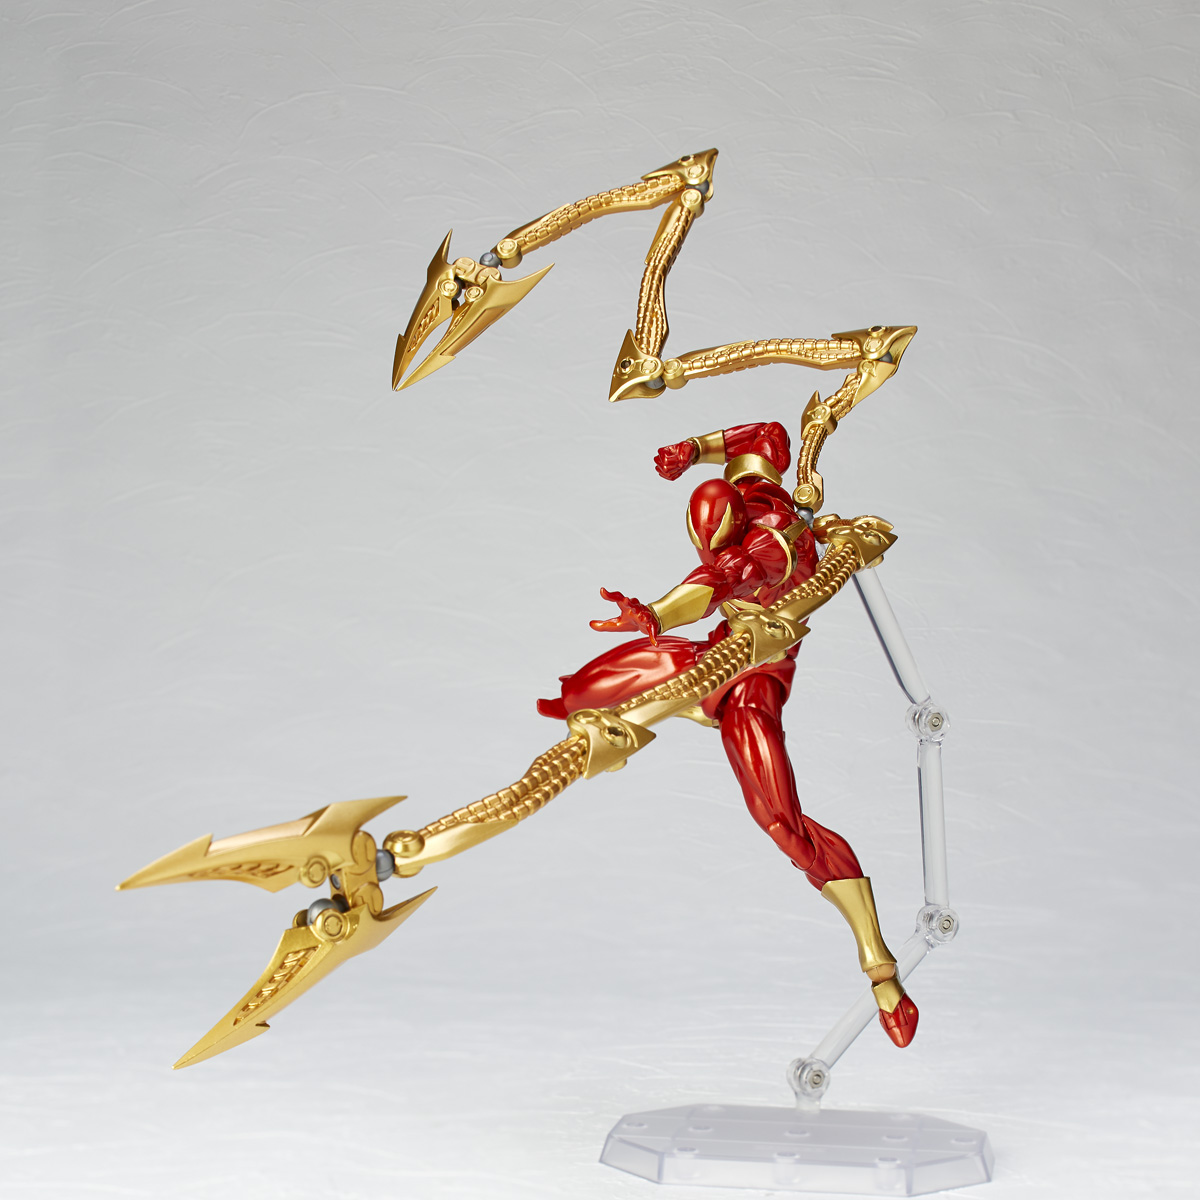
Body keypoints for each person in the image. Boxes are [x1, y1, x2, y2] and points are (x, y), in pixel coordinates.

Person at [536, 421, 919, 1047]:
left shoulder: (770, 544)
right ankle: (616, 728)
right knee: (579, 692)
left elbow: (714, 584)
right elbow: (765, 434)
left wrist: (655, 613)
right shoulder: (758, 486)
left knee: (781, 822)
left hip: (752, 683)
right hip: (713, 655)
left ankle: (878, 964)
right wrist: (691, 451)